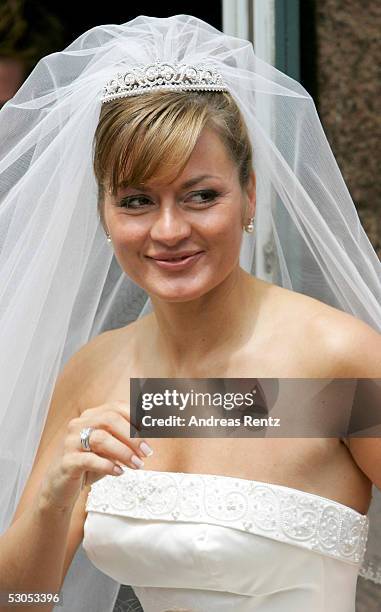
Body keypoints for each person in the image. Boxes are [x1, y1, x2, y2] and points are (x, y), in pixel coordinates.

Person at [0, 14, 380, 612]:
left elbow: (253, 407)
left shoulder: (334, 365)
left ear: (250, 194)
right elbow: (25, 600)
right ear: (104, 211)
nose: (169, 230)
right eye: (137, 201)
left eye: (201, 195)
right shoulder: (96, 373)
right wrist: (52, 495)